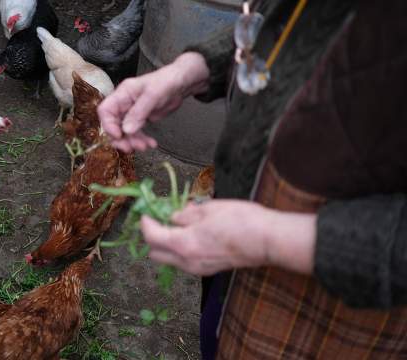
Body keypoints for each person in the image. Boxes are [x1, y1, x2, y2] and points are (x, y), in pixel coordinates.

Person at [98, 1, 407, 359]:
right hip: (238, 265)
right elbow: (289, 22)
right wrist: (193, 68)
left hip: (335, 321)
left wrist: (267, 238)